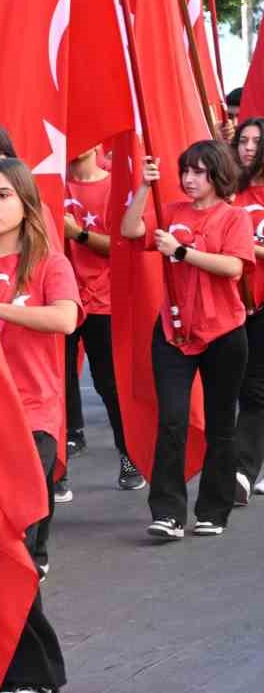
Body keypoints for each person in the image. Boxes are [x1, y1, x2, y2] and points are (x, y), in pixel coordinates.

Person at [0, 158, 74, 693]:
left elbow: (64, 319)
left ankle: (31, 671)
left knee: (16, 545)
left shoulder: (48, 263)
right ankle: (34, 671)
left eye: (3, 195)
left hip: (33, 418)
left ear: (26, 203)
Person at [121, 141, 252, 539]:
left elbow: (232, 266)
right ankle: (168, 512)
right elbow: (129, 230)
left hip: (224, 333)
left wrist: (181, 252)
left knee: (219, 425)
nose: (189, 179)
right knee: (173, 419)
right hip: (173, 333)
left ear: (217, 175)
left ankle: (214, 509)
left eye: (198, 172)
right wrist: (144, 186)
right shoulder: (170, 210)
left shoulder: (233, 218)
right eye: (185, 172)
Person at [62, 145, 142, 492]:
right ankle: (56, 471)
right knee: (55, 383)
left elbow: (120, 245)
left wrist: (77, 233)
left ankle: (130, 455)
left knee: (109, 385)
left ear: (97, 146)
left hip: (102, 302)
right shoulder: (52, 182)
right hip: (59, 299)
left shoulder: (112, 186)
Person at [232, 118, 264, 501]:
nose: (248, 147)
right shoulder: (229, 195)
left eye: (257, 141)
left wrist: (241, 244)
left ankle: (241, 470)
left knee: (255, 387)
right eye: (242, 140)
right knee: (242, 385)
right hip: (233, 304)